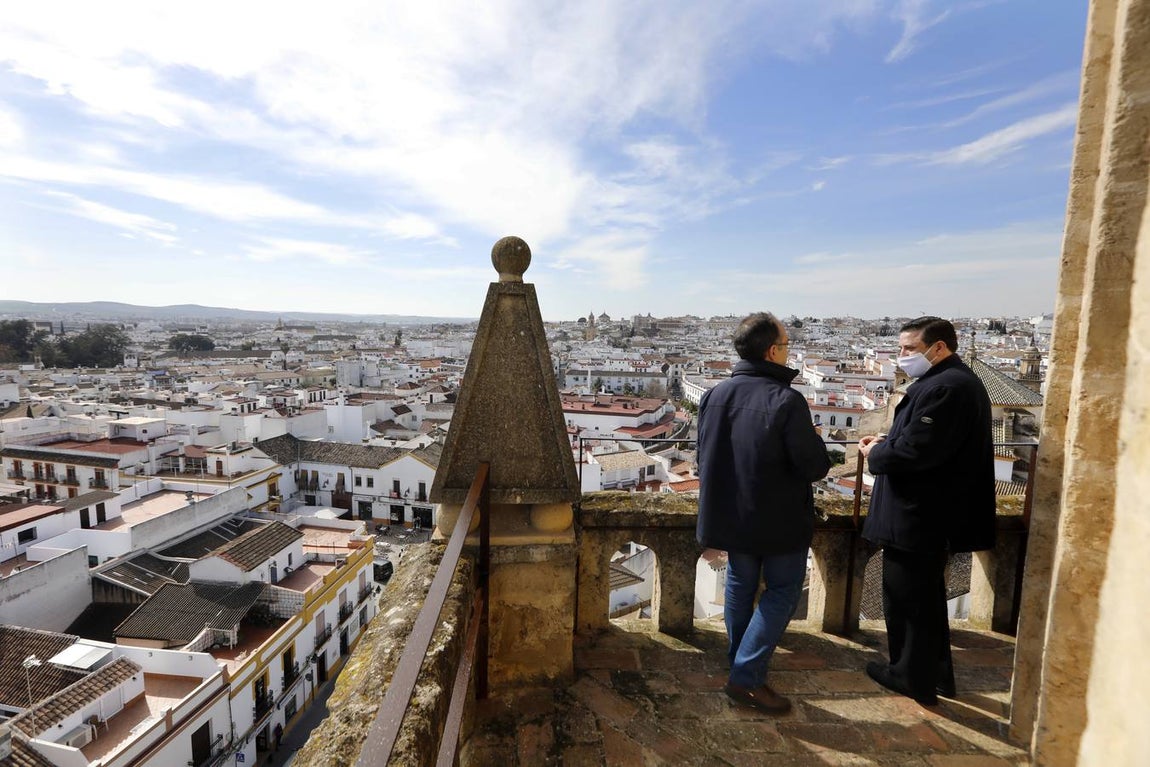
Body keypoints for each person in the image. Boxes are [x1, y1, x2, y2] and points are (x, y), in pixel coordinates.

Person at [697, 312, 832, 714]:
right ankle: (746, 676)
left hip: (731, 513)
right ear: (772, 351)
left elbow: (704, 457)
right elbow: (813, 466)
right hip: (779, 518)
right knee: (783, 591)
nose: (789, 351)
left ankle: (740, 659)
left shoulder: (714, 395)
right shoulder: (786, 400)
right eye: (787, 344)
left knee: (739, 586)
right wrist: (818, 443)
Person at [858, 316, 995, 705]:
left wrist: (876, 452)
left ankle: (909, 677)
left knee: (906, 601)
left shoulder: (948, 387)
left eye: (909, 349)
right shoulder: (949, 383)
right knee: (926, 600)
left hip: (920, 516)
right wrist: (891, 438)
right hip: (931, 514)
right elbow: (926, 439)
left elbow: (918, 451)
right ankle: (935, 676)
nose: (902, 356)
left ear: (938, 348)